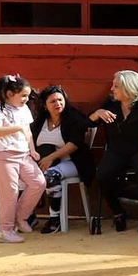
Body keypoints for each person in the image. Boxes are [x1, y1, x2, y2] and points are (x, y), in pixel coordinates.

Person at [89, 70, 138, 233]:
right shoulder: (111, 103)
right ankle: (118, 211)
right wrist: (98, 113)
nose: (112, 89)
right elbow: (88, 124)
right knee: (103, 175)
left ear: (128, 88)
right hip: (116, 150)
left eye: (116, 86)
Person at [0, 74, 46, 244]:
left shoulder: (24, 109)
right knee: (9, 194)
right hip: (2, 155)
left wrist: (32, 150)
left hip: (23, 154)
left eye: (27, 95)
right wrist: (17, 128)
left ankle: (21, 217)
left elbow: (27, 131)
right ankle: (5, 230)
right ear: (9, 94)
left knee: (38, 182)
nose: (26, 99)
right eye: (23, 95)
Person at [30, 85, 96, 235]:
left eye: (60, 100)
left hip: (73, 161)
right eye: (53, 101)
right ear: (45, 105)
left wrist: (50, 158)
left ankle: (55, 219)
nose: (58, 103)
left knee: (51, 176)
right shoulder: (40, 121)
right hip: (45, 161)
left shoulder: (74, 118)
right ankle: (29, 216)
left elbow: (74, 144)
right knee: (23, 172)